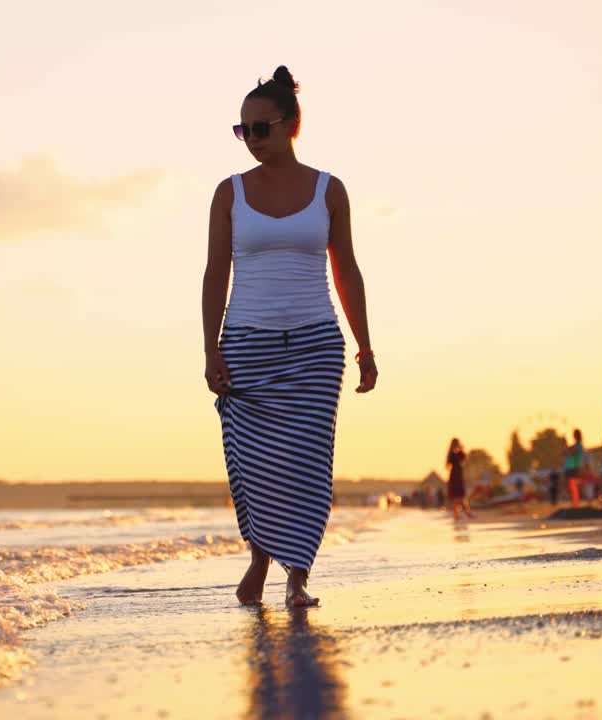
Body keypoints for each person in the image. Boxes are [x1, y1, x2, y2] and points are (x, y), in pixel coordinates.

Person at [203, 66, 377, 608]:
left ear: (291, 125)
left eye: (261, 128)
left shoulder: (329, 189)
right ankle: (258, 558)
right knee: (251, 461)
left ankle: (297, 577)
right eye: (243, 130)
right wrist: (210, 349)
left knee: (306, 463)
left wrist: (365, 346)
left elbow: (346, 268)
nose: (251, 140)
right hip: (247, 343)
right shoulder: (229, 194)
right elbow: (215, 273)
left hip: (314, 344)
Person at [445, 438, 472, 520]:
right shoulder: (451, 454)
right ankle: (456, 515)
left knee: (462, 495)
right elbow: (447, 465)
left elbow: (464, 457)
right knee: (456, 497)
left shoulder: (459, 453)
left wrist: (461, 448)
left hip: (459, 475)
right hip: (454, 476)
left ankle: (466, 513)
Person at [564, 429, 585, 506]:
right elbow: (566, 453)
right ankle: (574, 502)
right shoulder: (574, 445)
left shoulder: (579, 445)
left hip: (574, 467)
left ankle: (575, 503)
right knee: (571, 486)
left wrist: (566, 445)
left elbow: (573, 453)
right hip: (570, 467)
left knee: (573, 486)